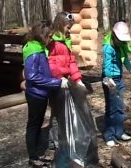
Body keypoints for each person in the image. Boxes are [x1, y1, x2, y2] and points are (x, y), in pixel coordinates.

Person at [23, 20, 68, 167]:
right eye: (49, 36)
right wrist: (56, 83)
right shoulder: (33, 51)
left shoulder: (39, 47)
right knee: (33, 125)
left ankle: (38, 153)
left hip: (41, 93)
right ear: (41, 35)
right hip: (36, 94)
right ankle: (33, 157)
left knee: (37, 123)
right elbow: (32, 77)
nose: (50, 39)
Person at [47, 11, 85, 166]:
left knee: (63, 111)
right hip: (56, 82)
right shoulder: (51, 41)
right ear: (61, 24)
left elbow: (71, 61)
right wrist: (58, 78)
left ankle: (62, 137)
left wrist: (78, 79)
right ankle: (54, 141)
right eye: (69, 27)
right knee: (56, 112)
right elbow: (49, 63)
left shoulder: (66, 40)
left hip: (66, 81)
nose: (70, 30)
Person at [102, 21, 131, 146]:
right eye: (120, 40)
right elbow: (106, 66)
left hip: (119, 79)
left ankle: (119, 131)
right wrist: (109, 80)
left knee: (120, 107)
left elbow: (125, 59)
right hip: (109, 79)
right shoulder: (108, 48)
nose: (122, 43)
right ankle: (109, 135)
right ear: (114, 36)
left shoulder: (121, 46)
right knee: (112, 108)